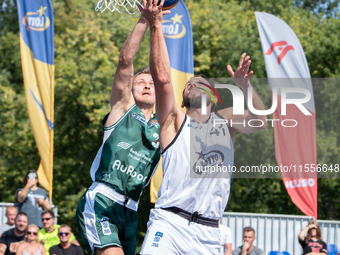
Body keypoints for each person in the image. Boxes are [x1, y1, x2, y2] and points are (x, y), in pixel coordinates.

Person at [140, 0, 267, 254]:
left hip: (209, 234)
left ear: (212, 95)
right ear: (185, 97)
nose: (195, 83)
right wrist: (156, 24)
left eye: (202, 82)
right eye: (190, 84)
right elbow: (162, 77)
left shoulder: (225, 121)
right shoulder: (174, 121)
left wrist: (245, 86)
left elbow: (260, 121)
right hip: (170, 224)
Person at [75, 6, 161, 255]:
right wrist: (146, 18)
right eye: (140, 82)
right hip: (103, 200)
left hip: (131, 211)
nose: (146, 85)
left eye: (151, 83)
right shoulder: (123, 109)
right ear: (131, 90)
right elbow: (125, 61)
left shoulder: (163, 127)